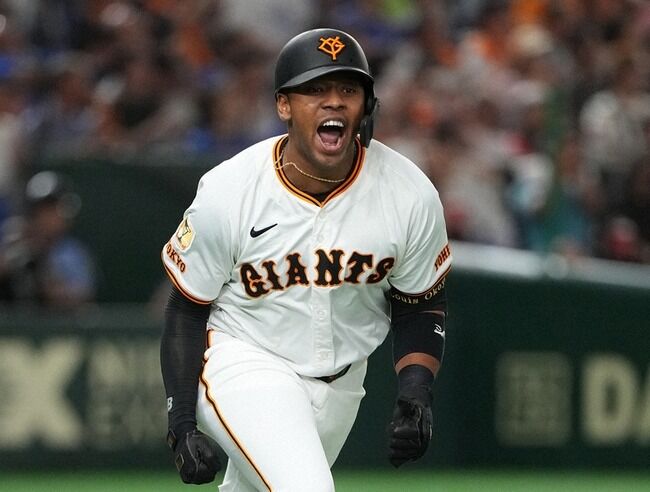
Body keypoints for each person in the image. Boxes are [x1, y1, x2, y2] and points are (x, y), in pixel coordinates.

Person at [160, 28, 452, 491]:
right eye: (315, 90)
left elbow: (419, 304)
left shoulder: (408, 193)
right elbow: (186, 308)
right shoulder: (230, 190)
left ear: (366, 105)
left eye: (348, 90)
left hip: (342, 384)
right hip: (243, 357)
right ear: (284, 105)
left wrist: (416, 392)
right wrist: (181, 423)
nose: (333, 101)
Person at [0, 171, 97, 310]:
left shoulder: (71, 252)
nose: (49, 218)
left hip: (54, 321)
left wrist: (43, 272)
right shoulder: (13, 238)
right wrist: (15, 255)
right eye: (43, 210)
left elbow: (83, 295)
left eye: (54, 210)